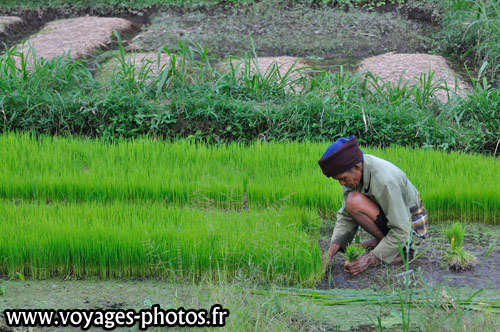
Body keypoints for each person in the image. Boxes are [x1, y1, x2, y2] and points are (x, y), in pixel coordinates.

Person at [318, 136, 428, 275]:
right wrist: (329, 253)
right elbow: (346, 216)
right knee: (351, 203)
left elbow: (402, 230)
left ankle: (404, 251)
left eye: (343, 178)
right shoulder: (355, 175)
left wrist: (369, 260)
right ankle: (382, 242)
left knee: (354, 201)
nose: (341, 184)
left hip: (411, 231)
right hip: (395, 221)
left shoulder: (386, 181)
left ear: (357, 167)